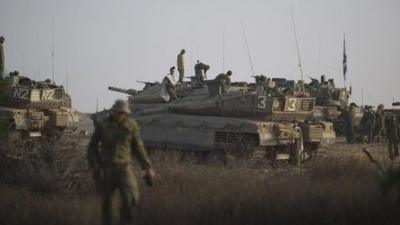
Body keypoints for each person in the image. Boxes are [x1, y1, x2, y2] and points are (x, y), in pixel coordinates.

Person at [87, 100, 155, 225]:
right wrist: (94, 164)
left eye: (124, 113)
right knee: (106, 203)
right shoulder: (103, 125)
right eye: (119, 113)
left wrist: (147, 167)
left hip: (124, 168)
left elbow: (138, 147)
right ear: (114, 112)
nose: (121, 115)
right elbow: (92, 147)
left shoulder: (131, 125)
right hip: (106, 168)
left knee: (131, 199)